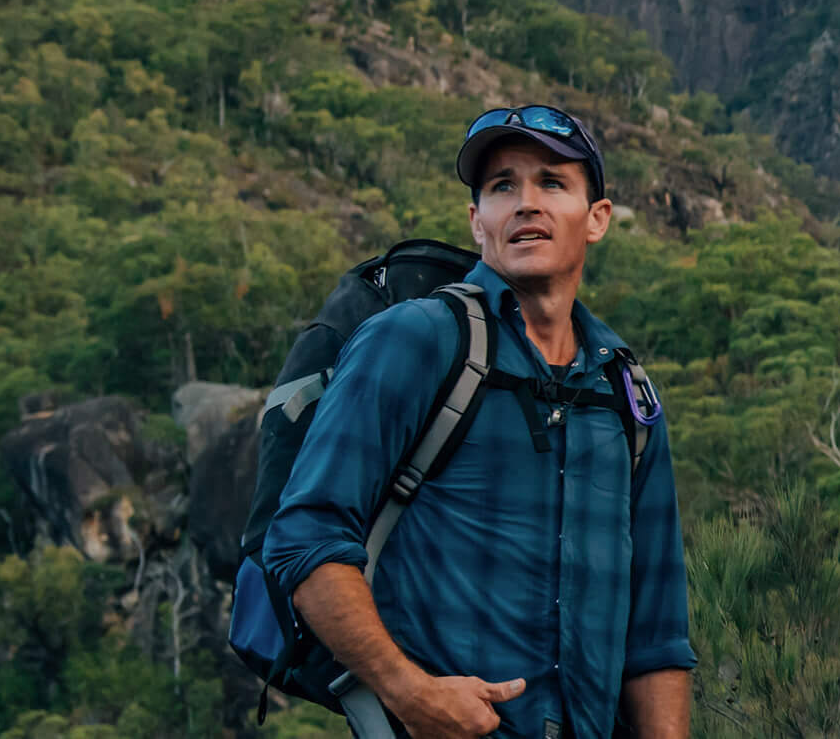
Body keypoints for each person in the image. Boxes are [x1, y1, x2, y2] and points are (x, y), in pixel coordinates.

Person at [262, 105, 695, 739]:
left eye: (552, 182)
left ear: (596, 218)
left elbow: (656, 635)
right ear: (477, 222)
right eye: (502, 187)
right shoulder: (414, 342)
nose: (526, 203)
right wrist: (411, 693)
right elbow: (306, 539)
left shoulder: (624, 395)